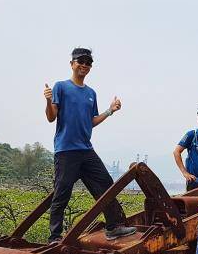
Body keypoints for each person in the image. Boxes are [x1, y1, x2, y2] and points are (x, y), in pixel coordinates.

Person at [43, 48, 136, 243]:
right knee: (62, 192)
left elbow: (91, 121)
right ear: (72, 64)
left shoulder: (91, 93)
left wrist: (110, 111)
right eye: (80, 61)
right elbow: (52, 117)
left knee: (106, 185)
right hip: (66, 150)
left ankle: (113, 227)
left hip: (86, 149)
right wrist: (48, 100)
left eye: (88, 62)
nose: (84, 65)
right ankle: (54, 237)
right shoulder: (60, 87)